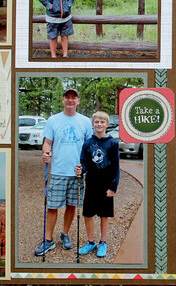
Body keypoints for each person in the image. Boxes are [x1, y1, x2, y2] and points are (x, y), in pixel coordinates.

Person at [34, 88, 93, 256]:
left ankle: (65, 234)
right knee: (52, 206)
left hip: (77, 172)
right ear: (62, 100)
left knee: (71, 206)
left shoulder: (85, 121)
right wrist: (46, 152)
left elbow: (89, 146)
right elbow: (47, 143)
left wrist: (85, 165)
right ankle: (48, 240)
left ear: (78, 101)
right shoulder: (53, 120)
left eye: (73, 97)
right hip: (58, 171)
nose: (70, 100)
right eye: (67, 97)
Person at [75, 111, 120, 258]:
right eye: (96, 122)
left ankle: (103, 242)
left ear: (107, 124)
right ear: (93, 124)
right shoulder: (88, 143)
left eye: (102, 122)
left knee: (104, 215)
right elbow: (84, 163)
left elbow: (115, 167)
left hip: (106, 185)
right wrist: (80, 170)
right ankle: (91, 242)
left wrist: (113, 187)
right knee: (88, 214)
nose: (99, 124)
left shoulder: (113, 143)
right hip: (92, 183)